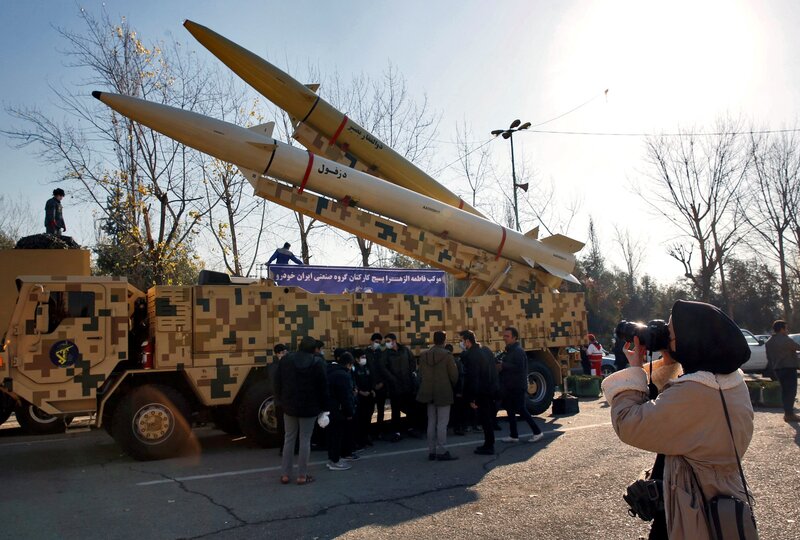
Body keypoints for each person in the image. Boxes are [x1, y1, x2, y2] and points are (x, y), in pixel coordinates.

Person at [601, 300, 755, 539]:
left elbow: (628, 423)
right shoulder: (730, 382)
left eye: (671, 332)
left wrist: (634, 369)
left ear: (693, 340)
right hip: (723, 498)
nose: (666, 336)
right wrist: (670, 357)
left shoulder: (695, 392)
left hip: (692, 509)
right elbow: (675, 398)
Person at [273, 336, 328, 485]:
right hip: (309, 407)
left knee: (289, 439)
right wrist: (324, 408)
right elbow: (323, 388)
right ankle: (302, 475)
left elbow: (277, 381)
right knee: (305, 440)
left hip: (289, 405)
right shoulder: (317, 362)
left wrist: (279, 400)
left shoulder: (286, 360)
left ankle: (285, 474)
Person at [417, 331, 459, 461]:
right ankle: (442, 450)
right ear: (444, 340)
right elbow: (454, 376)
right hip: (443, 392)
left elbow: (420, 374)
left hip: (429, 392)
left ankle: (431, 451)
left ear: (433, 340)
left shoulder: (424, 355)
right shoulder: (447, 355)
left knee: (431, 422)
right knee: (442, 423)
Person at [499, 326, 543, 443]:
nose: (505, 338)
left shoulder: (518, 351)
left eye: (507, 336)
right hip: (510, 385)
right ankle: (514, 435)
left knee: (521, 409)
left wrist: (503, 365)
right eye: (504, 336)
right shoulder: (510, 350)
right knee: (510, 410)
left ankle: (537, 432)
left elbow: (520, 368)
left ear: (514, 338)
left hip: (518, 386)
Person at [461, 330, 499, 455]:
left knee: (485, 419)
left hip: (481, 392)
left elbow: (474, 378)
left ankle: (489, 446)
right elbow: (493, 371)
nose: (462, 344)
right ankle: (489, 444)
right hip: (489, 390)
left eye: (462, 341)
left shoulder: (472, 355)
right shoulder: (486, 351)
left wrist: (473, 399)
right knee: (487, 419)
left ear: (467, 341)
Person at [378, 333, 418, 442]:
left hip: (407, 384)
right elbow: (383, 368)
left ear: (394, 341)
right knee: (395, 410)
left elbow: (412, 361)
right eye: (386, 341)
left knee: (410, 408)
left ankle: (410, 428)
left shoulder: (405, 350)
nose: (387, 343)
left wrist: (410, 374)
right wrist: (392, 379)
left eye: (388, 341)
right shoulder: (386, 354)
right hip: (395, 386)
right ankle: (397, 432)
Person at [326, 351, 357, 471]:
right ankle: (335, 461)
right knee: (337, 436)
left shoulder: (330, 370)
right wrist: (349, 412)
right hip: (337, 410)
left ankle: (333, 458)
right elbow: (345, 397)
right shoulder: (343, 375)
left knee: (332, 435)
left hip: (329, 408)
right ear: (349, 364)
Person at [765, 320, 800, 422]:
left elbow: (769, 357)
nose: (787, 330)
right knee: (791, 392)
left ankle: (787, 413)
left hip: (777, 369)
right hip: (789, 368)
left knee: (784, 391)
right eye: (786, 328)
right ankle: (789, 414)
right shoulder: (786, 340)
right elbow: (798, 347)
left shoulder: (769, 342)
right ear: (781, 329)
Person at [365, 333, 388, 438]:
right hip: (371, 387)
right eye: (376, 342)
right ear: (371, 341)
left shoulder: (382, 353)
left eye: (379, 342)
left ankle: (380, 431)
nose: (377, 344)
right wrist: (372, 386)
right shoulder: (366, 353)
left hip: (381, 385)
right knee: (369, 410)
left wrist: (382, 383)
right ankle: (368, 432)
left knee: (381, 410)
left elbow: (385, 369)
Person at [352, 348, 376, 447]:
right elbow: (354, 383)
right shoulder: (354, 369)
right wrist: (361, 392)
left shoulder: (366, 368)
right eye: (362, 357)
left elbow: (370, 379)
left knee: (368, 418)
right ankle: (360, 439)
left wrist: (371, 390)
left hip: (369, 396)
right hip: (360, 397)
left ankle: (366, 437)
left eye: (365, 357)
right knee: (360, 419)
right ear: (356, 359)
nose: (364, 359)